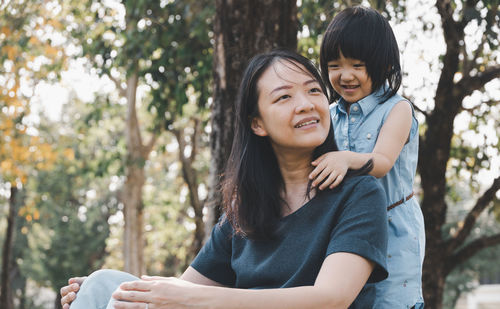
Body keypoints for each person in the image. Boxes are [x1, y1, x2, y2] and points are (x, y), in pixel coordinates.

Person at [60, 49, 388, 309]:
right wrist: (104, 292)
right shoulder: (244, 211)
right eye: (284, 97)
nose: (306, 104)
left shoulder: (358, 194)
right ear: (257, 124)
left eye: (314, 91)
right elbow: (181, 290)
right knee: (105, 285)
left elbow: (331, 300)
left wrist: (196, 301)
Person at [309, 6, 425, 309]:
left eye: (357, 65)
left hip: (392, 228)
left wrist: (345, 159)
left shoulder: (397, 109)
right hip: (343, 229)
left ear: (383, 64)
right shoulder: (329, 115)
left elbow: (382, 161)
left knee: (389, 301)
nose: (345, 76)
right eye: (335, 66)